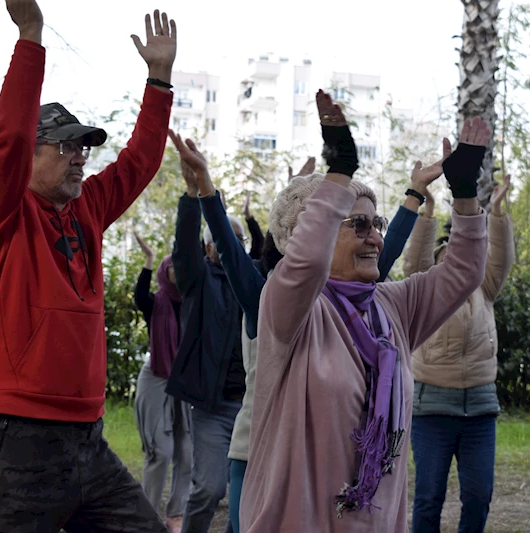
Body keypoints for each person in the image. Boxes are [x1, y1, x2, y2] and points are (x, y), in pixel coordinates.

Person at [0, 1, 178, 530]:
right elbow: (8, 138)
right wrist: (30, 35)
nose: (80, 155)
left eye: (84, 147)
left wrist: (159, 81)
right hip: (13, 437)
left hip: (88, 438)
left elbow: (139, 161)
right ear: (28, 158)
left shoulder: (86, 210)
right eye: (65, 145)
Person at [239, 90, 490, 532]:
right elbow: (305, 264)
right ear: (308, 231)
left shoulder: (392, 307)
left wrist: (465, 193)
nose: (374, 236)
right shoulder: (290, 309)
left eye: (376, 223)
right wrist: (339, 168)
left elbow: (464, 271)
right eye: (357, 224)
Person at [168, 134, 436, 533]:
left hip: (305, 451)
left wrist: (412, 197)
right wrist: (205, 190)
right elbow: (228, 247)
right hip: (256, 446)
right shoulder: (267, 297)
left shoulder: (342, 301)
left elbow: (386, 249)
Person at [404, 171, 514, 533]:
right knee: (429, 496)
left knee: (479, 495)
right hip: (432, 407)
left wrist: (497, 214)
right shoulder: (426, 286)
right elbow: (414, 262)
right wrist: (428, 211)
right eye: (447, 251)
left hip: (480, 408)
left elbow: (501, 259)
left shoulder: (485, 286)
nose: (457, 256)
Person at [165, 131, 249, 533]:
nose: (231, 242)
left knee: (249, 493)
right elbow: (184, 247)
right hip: (213, 409)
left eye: (240, 237)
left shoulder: (259, 285)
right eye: (223, 236)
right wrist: (192, 192)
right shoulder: (200, 279)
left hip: (255, 408)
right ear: (210, 245)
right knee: (209, 488)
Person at [133, 232, 192, 533]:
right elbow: (138, 296)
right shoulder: (155, 303)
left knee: (187, 450)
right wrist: (149, 260)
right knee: (161, 452)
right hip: (156, 376)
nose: (176, 273)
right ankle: (147, 515)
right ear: (164, 272)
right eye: (171, 268)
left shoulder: (194, 303)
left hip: (184, 379)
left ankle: (176, 515)